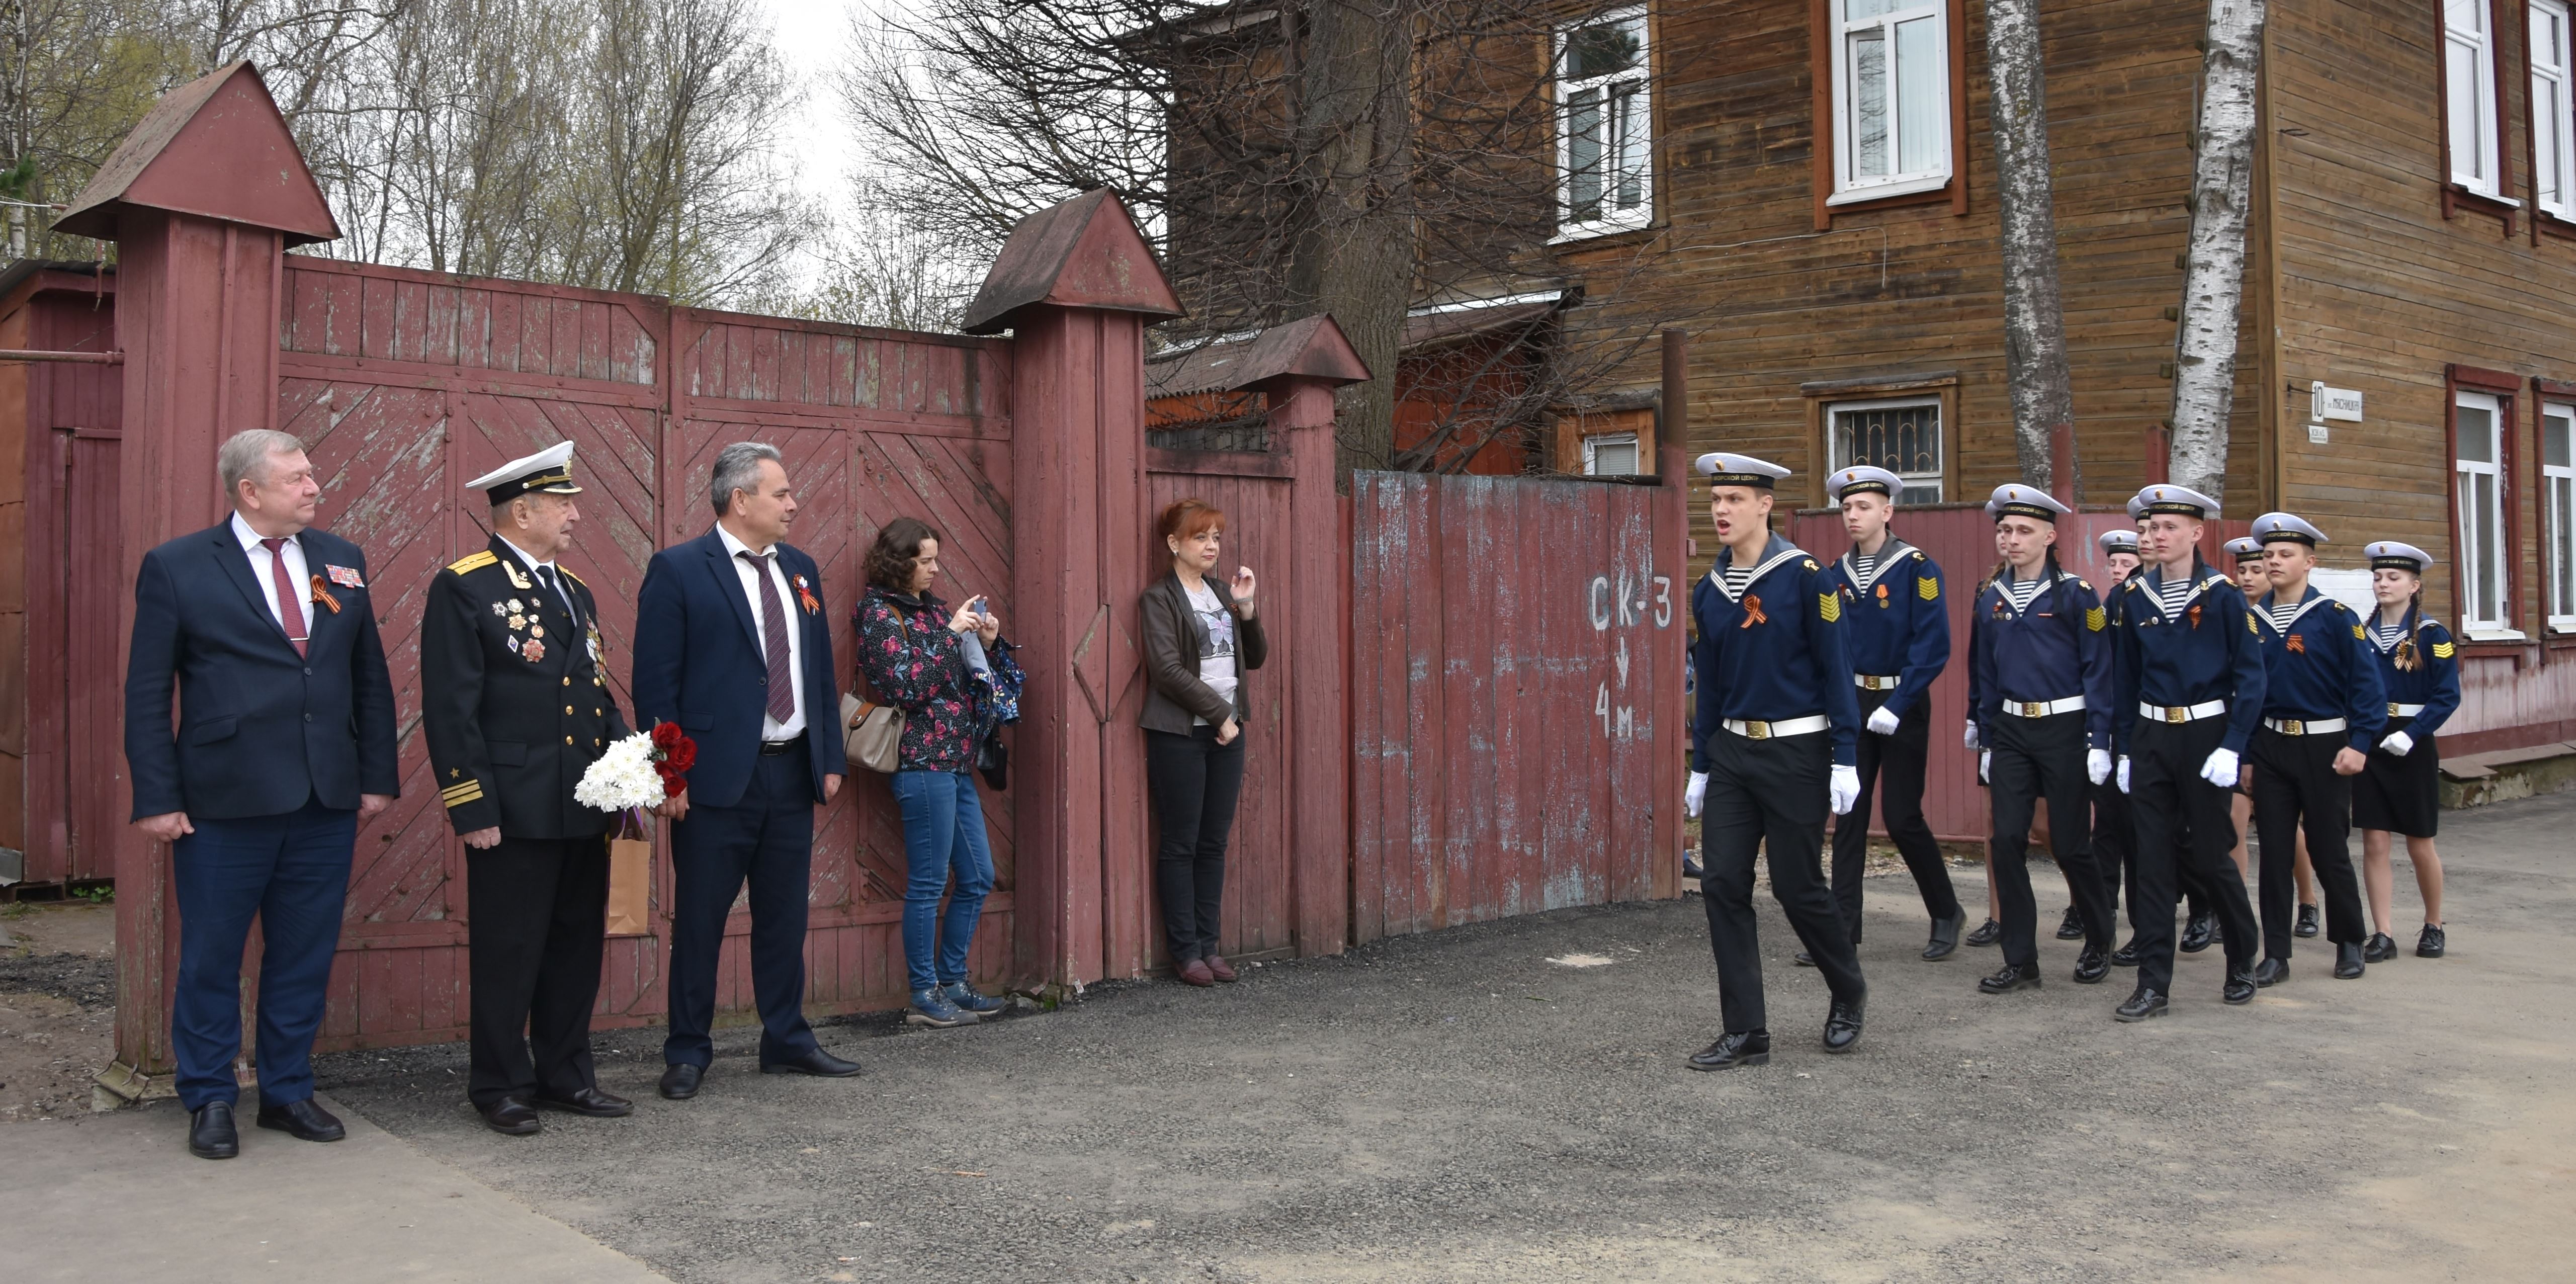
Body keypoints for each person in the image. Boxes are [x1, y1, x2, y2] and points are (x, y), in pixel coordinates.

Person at [123, 429, 398, 1160]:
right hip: (222, 801)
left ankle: (286, 1089)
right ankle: (210, 1094)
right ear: (250, 491)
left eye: (311, 475)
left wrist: (375, 775)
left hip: (323, 797)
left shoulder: (343, 560)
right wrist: (157, 795)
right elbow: (148, 691)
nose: (314, 488)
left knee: (304, 952)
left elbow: (368, 675)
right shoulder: (179, 567)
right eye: (298, 478)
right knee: (211, 954)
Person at [420, 443, 635, 1135]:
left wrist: (631, 769)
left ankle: (565, 1075)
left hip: (581, 803)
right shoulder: (465, 584)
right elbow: (453, 707)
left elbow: (592, 695)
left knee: (574, 947)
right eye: (563, 503)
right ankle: (500, 1083)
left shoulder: (574, 591)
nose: (575, 514)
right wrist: (470, 804)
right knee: (509, 950)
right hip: (512, 806)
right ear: (523, 509)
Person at [633, 442, 856, 1099]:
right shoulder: (678, 571)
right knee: (700, 919)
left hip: (789, 774)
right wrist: (668, 778)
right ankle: (687, 1051)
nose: (794, 503)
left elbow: (819, 671)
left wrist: (830, 758)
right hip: (712, 780)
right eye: (781, 493)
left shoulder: (801, 569)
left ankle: (786, 1038)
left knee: (784, 917)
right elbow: (656, 686)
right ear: (741, 500)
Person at [1681, 453, 1866, 1070]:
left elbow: (1837, 671)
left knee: (1796, 886)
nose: (1722, 511)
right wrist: (1701, 764)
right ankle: (1746, 1032)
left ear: (1765, 505)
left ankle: (1847, 988)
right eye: (1715, 501)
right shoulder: (1707, 591)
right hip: (1734, 751)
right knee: (1722, 883)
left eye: (1735, 499)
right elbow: (1707, 685)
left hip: (1797, 750)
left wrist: (1846, 756)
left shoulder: (1807, 577)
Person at [2109, 485, 2265, 1020]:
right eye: (2149, 528)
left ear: (2197, 533)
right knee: (2150, 862)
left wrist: (2232, 745)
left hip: (2206, 739)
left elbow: (2251, 678)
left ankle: (2242, 955)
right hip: (2152, 739)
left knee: (2208, 857)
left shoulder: (2222, 595)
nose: (2155, 536)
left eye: (2168, 527)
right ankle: (2153, 984)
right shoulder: (2134, 597)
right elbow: (2124, 680)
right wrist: (2124, 749)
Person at [854, 518, 1014, 1025]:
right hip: (920, 763)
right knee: (927, 882)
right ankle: (925, 994)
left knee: (978, 877)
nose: (934, 568)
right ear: (898, 561)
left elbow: (969, 683)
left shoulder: (936, 612)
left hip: (957, 760)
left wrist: (986, 644)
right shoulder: (877, 614)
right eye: (925, 560)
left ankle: (954, 982)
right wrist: (950, 635)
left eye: (935, 559)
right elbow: (906, 685)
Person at [1963, 485, 2117, 994]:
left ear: (2050, 537)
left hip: (2064, 729)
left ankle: (2098, 937)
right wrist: (1981, 729)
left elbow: (2099, 668)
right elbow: (1981, 668)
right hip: (2009, 730)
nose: (2011, 540)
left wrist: (2100, 738)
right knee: (2005, 840)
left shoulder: (2076, 595)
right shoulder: (1990, 597)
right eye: (2004, 530)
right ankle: (2020, 959)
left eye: (2024, 531)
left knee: (2071, 845)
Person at [1811, 466, 1964, 966]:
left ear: (1887, 512)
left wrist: (1897, 705)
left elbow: (1933, 645)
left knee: (1901, 816)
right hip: (1853, 705)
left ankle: (1946, 911)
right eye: (1847, 508)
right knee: (1849, 816)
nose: (1852, 517)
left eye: (1863, 507)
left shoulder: (1916, 568)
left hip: (1902, 704)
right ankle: (1842, 932)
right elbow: (1830, 648)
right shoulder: (1834, 575)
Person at [2243, 513, 2382, 986]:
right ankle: (2276, 953)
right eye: (2269, 555)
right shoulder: (2252, 619)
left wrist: (2360, 743)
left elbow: (2367, 688)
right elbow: (2243, 692)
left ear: (2309, 562)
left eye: (2285, 555)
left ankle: (2348, 939)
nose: (2275, 562)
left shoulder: (2336, 618)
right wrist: (2244, 754)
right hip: (2270, 744)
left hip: (2325, 746)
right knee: (2275, 851)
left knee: (2328, 848)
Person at [1140, 498, 1269, 986]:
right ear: (1174, 544)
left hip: (1227, 732)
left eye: (1216, 536)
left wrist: (1248, 608)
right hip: (1180, 733)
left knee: (1214, 842)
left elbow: (1252, 659)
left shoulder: (1221, 594)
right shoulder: (1158, 600)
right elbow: (1167, 670)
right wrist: (1220, 715)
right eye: (1201, 537)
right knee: (1181, 843)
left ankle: (1210, 947)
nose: (1212, 545)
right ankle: (1185, 952)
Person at [2353, 542, 2458, 961]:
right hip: (2372, 739)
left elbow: (2447, 696)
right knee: (2374, 841)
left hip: (2412, 742)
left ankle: (2433, 925)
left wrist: (2414, 733)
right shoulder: (2361, 634)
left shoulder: (2433, 635)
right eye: (2378, 577)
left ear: (2414, 585)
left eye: (2393, 578)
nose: (2383, 584)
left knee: (2420, 841)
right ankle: (2383, 933)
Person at [2225, 536, 2321, 935]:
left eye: (2256, 568)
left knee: (2280, 827)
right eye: (2243, 570)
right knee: (2233, 821)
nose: (2249, 576)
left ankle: (2308, 898)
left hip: (2278, 734)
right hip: (2233, 731)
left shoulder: (2293, 618)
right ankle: (2235, 907)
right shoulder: (2234, 615)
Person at [2074, 528, 2141, 945]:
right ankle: (2103, 908)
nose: (2117, 570)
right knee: (2108, 827)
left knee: (2146, 832)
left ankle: (2192, 909)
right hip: (2111, 728)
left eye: (2126, 563)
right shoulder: (2109, 605)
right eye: (2113, 563)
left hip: (2151, 727)